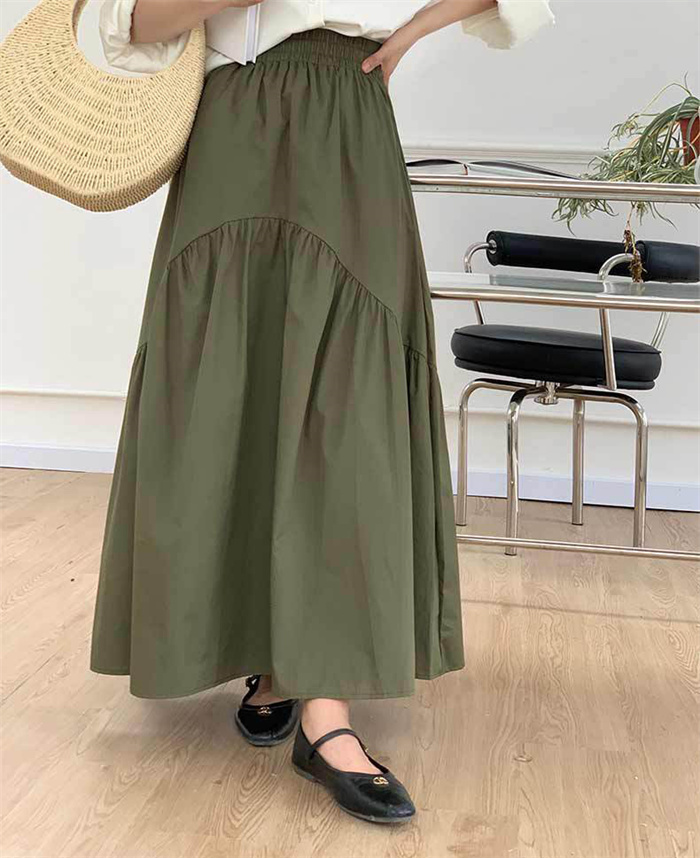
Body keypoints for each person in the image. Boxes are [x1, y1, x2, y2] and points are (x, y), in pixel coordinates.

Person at [90, 0, 555, 824]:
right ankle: (268, 655)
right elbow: (131, 20)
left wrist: (411, 32)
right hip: (232, 118)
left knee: (347, 398)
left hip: (347, 114)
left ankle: (325, 704)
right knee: (231, 381)